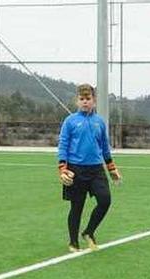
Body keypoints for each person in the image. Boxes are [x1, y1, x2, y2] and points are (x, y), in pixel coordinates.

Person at [57, 83, 122, 252]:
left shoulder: (99, 122)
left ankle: (89, 232)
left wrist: (111, 168)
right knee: (76, 207)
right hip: (75, 170)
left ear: (94, 101)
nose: (85, 102)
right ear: (77, 101)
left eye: (88, 99)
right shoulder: (70, 121)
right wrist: (62, 169)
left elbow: (105, 147)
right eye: (81, 99)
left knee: (105, 200)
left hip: (96, 170)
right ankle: (73, 242)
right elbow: (63, 145)